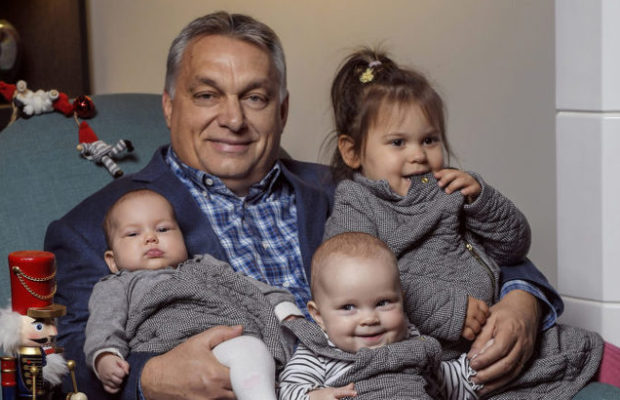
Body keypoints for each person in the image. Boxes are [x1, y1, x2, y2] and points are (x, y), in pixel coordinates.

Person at [44, 11, 566, 400]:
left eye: (255, 97)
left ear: (283, 109)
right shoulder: (94, 226)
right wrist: (149, 377)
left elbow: (462, 237)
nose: (233, 118)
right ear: (169, 105)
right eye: (207, 96)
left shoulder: (346, 186)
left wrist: (521, 300)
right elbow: (64, 349)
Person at [323, 48, 604, 398]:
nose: (418, 154)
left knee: (593, 353)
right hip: (439, 354)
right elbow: (363, 285)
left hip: (497, 330)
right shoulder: (358, 205)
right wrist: (451, 310)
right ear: (352, 152)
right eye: (398, 142)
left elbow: (514, 247)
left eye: (429, 139)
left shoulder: (451, 189)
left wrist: (482, 202)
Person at [84, 189, 300, 398]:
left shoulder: (206, 266)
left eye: (163, 229)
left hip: (239, 340)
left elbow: (251, 289)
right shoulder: (117, 285)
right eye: (133, 233)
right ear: (112, 261)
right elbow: (103, 323)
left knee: (285, 360)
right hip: (176, 355)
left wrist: (285, 310)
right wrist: (105, 355)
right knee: (249, 351)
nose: (151, 238)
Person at [279, 232, 486, 400]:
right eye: (349, 307)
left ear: (401, 301)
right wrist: (317, 396)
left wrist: (471, 370)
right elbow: (287, 389)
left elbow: (443, 381)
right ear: (319, 315)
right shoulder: (319, 353)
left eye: (383, 303)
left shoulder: (410, 340)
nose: (370, 319)